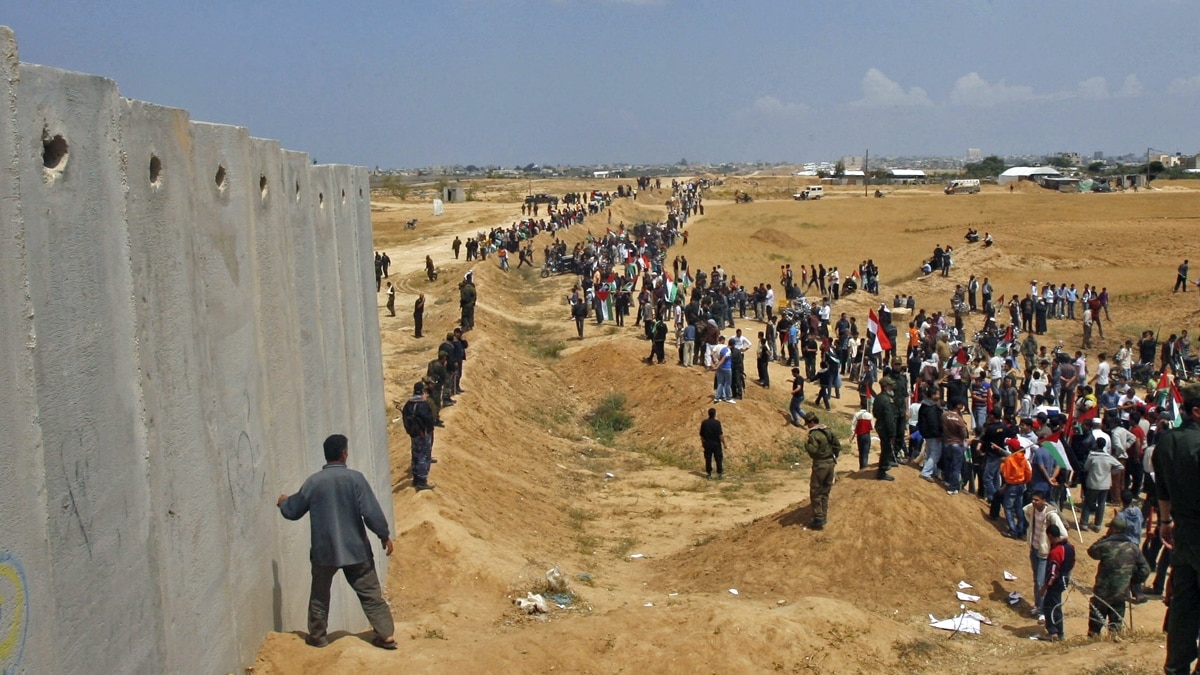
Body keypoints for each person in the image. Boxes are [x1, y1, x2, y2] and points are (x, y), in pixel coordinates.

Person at [276, 434, 397, 650]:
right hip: (356, 550)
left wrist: (284, 503)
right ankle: (386, 635)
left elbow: (293, 511)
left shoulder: (314, 482)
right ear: (343, 453)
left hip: (325, 553)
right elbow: (371, 512)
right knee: (370, 593)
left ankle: (318, 637)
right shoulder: (355, 479)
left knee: (320, 596)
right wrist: (384, 535)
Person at [1153, 383, 1200, 674]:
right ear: (1197, 411)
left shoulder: (1166, 441)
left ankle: (1176, 667)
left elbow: (1161, 488)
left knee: (1184, 603)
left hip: (1182, 531)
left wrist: (1165, 521)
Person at [1086, 514, 1151, 638]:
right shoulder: (1133, 548)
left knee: (1094, 629)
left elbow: (1091, 551)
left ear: (1113, 529)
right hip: (1121, 593)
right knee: (1115, 629)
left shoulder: (1106, 545)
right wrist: (1132, 580)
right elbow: (1145, 570)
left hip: (1102, 593)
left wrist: (1105, 537)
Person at [1024, 491, 1066, 623]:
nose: (1034, 502)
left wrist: (1051, 547)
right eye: (1033, 500)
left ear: (1043, 501)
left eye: (1037, 500)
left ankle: (1043, 611)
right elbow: (1026, 512)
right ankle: (1038, 606)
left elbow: (1063, 534)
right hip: (1034, 549)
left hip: (1044, 553)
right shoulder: (1031, 509)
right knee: (1036, 581)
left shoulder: (1051, 516)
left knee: (1041, 581)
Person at [804, 412, 842, 530]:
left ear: (811, 422)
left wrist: (806, 444)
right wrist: (833, 456)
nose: (808, 426)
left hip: (820, 464)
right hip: (830, 463)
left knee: (816, 490)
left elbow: (813, 451)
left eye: (808, 424)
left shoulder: (814, 435)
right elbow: (837, 446)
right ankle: (823, 514)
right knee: (825, 490)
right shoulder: (828, 430)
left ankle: (818, 517)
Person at [1039, 523, 1075, 642]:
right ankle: (1059, 632)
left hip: (1056, 582)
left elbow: (1053, 573)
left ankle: (1054, 632)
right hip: (1065, 579)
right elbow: (1073, 562)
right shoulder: (1069, 547)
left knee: (1050, 606)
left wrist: (1045, 586)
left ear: (1050, 535)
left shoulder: (1056, 552)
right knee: (1056, 605)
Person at [401, 382, 436, 491]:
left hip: (414, 434)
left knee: (415, 455)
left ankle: (416, 478)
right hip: (423, 434)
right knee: (423, 456)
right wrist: (429, 430)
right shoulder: (422, 405)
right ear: (422, 392)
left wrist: (410, 431)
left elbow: (405, 418)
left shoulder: (408, 404)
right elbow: (429, 419)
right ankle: (422, 481)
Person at [873, 377, 899, 481]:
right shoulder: (886, 400)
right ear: (885, 386)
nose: (893, 387)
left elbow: (875, 412)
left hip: (880, 424)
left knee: (885, 447)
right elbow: (889, 418)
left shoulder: (879, 397)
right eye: (890, 385)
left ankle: (885, 465)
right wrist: (892, 434)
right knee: (886, 449)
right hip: (885, 427)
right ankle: (882, 471)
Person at [699, 407, 725, 479]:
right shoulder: (717, 423)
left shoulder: (704, 423)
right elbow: (720, 435)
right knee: (718, 459)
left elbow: (701, 435)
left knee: (708, 459)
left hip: (707, 443)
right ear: (714, 414)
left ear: (708, 414)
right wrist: (724, 443)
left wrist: (702, 443)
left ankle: (709, 474)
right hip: (716, 443)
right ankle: (719, 474)